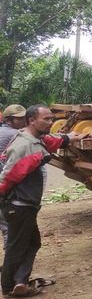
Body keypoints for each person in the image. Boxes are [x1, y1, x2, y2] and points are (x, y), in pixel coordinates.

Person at [0, 105, 85, 297]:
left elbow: (49, 141)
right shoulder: (26, 146)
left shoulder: (32, 138)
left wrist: (69, 137)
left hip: (24, 205)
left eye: (51, 119)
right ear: (31, 120)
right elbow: (8, 177)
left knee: (31, 243)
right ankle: (9, 287)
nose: (51, 122)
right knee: (17, 245)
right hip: (19, 205)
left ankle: (19, 281)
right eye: (46, 119)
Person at [0, 104, 28, 250]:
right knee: (8, 227)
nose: (24, 121)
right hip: (3, 186)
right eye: (19, 119)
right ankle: (10, 265)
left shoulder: (3, 131)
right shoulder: (14, 134)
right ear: (9, 120)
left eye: (25, 117)